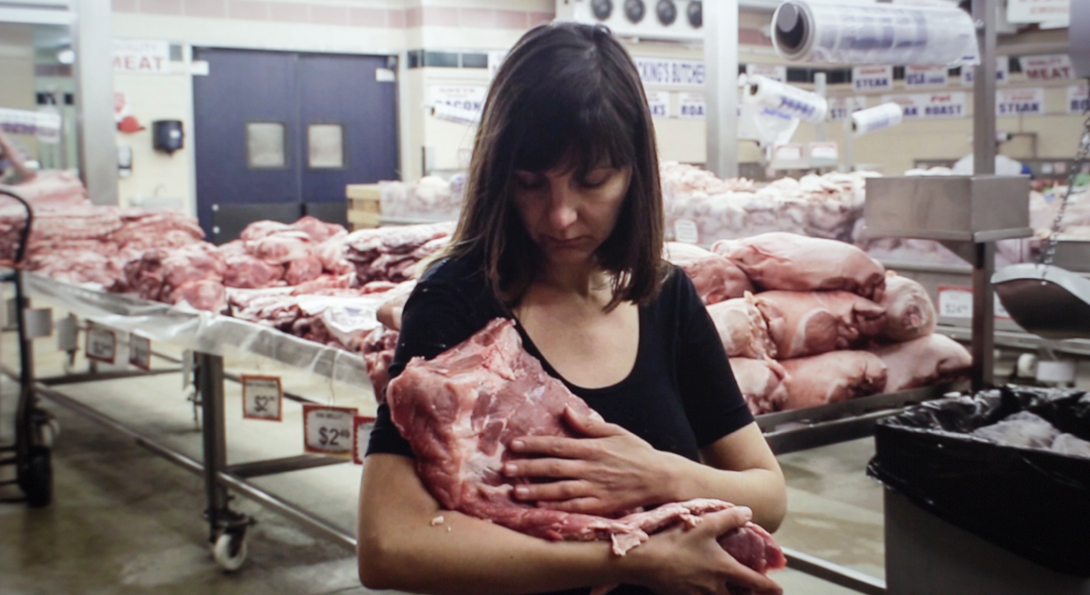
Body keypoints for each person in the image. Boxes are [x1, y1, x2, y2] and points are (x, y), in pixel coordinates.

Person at [358, 22, 786, 595]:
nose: (560, 216)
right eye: (531, 183)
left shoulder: (666, 297)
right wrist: (630, 561)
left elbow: (769, 494)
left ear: (634, 172)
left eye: (593, 181)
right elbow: (391, 544)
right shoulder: (458, 299)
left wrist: (657, 474)